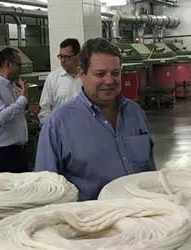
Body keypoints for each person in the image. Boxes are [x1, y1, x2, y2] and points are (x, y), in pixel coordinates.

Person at [35, 37, 155, 201]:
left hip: (142, 211)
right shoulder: (58, 124)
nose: (109, 80)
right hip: (90, 216)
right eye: (100, 74)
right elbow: (46, 191)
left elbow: (150, 173)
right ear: (81, 74)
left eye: (115, 73)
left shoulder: (135, 113)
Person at [0, 47, 35, 173]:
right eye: (18, 64)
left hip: (19, 150)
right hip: (3, 152)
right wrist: (22, 100)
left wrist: (28, 113)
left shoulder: (12, 86)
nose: (21, 68)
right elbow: (0, 117)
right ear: (7, 64)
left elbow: (13, 114)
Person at [38, 38, 83, 124]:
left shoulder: (87, 77)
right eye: (61, 56)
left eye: (67, 57)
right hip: (60, 129)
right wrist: (51, 128)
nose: (62, 60)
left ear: (78, 56)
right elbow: (44, 110)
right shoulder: (52, 78)